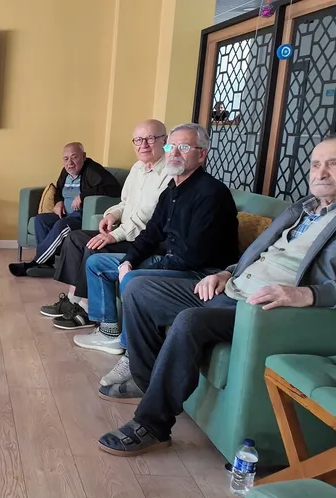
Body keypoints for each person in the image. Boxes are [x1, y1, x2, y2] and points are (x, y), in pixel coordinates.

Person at [96, 133, 336, 457]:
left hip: (266, 310)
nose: (320, 173)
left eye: (333, 164)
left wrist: (309, 294)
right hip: (233, 287)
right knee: (138, 286)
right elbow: (262, 255)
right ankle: (147, 380)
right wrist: (226, 273)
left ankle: (152, 424)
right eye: (316, 164)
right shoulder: (302, 209)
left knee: (191, 321)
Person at [68, 124, 239, 385]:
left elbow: (194, 255)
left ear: (202, 154)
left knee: (134, 281)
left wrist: (143, 268)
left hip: (199, 272)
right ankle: (109, 330)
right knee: (97, 262)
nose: (174, 153)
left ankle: (131, 356)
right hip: (170, 260)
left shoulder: (211, 193)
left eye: (184, 147)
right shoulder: (172, 189)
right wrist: (129, 260)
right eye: (171, 146)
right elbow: (151, 233)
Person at [45, 119, 172, 320]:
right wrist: (112, 215)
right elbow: (124, 202)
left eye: (150, 138)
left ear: (164, 140)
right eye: (138, 140)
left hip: (146, 240)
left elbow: (150, 214)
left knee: (94, 247)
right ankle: (71, 301)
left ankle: (86, 309)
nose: (143, 145)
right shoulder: (137, 168)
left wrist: (114, 235)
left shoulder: (170, 172)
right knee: (75, 238)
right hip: (127, 233)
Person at [9, 142, 121, 276]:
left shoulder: (92, 170)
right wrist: (58, 202)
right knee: (41, 220)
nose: (70, 163)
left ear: (84, 156)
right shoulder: (65, 172)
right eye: (66, 159)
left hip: (80, 216)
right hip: (65, 214)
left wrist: (83, 195)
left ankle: (36, 262)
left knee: (61, 225)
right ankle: (47, 263)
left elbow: (114, 189)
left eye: (74, 157)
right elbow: (58, 189)